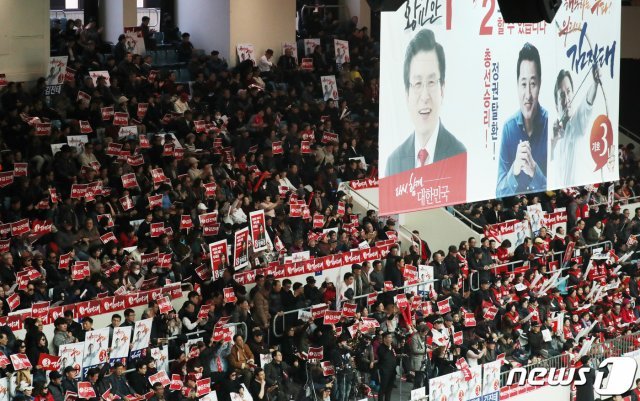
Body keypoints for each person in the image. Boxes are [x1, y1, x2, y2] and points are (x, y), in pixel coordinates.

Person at [384, 28, 466, 177]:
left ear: (442, 89)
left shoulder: (459, 154)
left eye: (431, 82)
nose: (425, 96)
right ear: (406, 94)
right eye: (417, 83)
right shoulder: (393, 163)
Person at [496, 42, 548, 197]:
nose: (528, 94)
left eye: (532, 84)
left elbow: (559, 185)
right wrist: (515, 169)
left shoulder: (549, 123)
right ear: (517, 85)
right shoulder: (508, 128)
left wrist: (534, 170)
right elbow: (499, 192)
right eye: (523, 84)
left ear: (540, 83)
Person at [549, 66, 601, 188]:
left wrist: (595, 82)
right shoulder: (556, 137)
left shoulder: (578, 122)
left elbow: (588, 102)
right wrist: (553, 142)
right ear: (557, 106)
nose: (566, 99)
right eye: (562, 95)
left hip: (579, 189)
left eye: (568, 92)